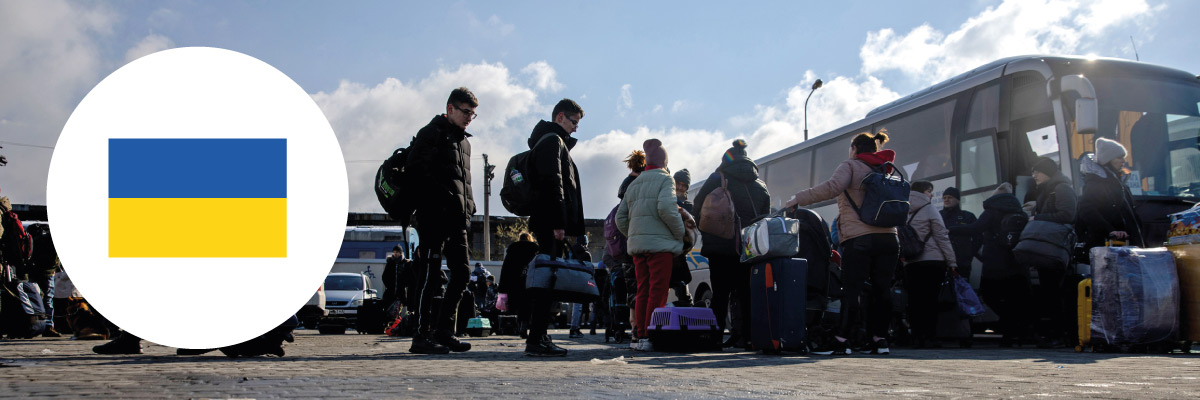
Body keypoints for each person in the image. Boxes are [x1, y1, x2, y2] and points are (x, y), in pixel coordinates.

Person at [785, 131, 899, 355]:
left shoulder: (851, 165)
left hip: (859, 239)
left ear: (855, 149)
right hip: (889, 238)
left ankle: (842, 339)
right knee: (882, 290)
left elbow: (832, 187)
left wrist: (799, 198)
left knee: (852, 290)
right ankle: (880, 340)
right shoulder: (887, 169)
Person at [405, 87, 478, 354]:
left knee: (462, 274)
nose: (470, 117)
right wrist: (445, 200)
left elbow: (464, 182)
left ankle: (444, 331)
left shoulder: (465, 143)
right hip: (434, 218)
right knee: (430, 276)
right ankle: (421, 335)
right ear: (450, 109)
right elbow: (416, 172)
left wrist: (469, 208)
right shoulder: (431, 133)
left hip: (458, 221)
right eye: (465, 111)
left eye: (473, 113)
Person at [693, 139, 771, 350]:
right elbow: (766, 216)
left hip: (721, 247)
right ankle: (747, 338)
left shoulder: (717, 178)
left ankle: (715, 339)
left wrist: (708, 233)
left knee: (720, 295)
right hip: (749, 248)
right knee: (746, 294)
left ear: (726, 159)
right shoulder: (760, 185)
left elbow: (699, 206)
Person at [524, 98, 586, 357]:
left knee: (549, 282)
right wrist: (559, 223)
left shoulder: (550, 141)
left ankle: (540, 336)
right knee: (548, 283)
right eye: (574, 122)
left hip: (546, 220)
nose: (575, 128)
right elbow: (554, 184)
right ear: (560, 117)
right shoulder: (552, 141)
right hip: (550, 223)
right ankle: (537, 339)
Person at [616, 139, 686, 351]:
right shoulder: (666, 180)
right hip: (660, 247)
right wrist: (679, 233)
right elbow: (666, 207)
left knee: (642, 290)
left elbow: (620, 218)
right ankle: (652, 336)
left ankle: (640, 336)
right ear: (664, 161)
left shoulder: (634, 183)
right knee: (658, 289)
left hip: (639, 247)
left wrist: (636, 235)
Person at [948, 182, 1031, 346]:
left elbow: (975, 229)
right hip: (1017, 263)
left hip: (996, 263)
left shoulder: (992, 210)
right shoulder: (1019, 211)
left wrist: (951, 229)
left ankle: (1007, 326)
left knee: (989, 294)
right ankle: (1013, 335)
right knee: (1014, 299)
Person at [1028, 156, 1078, 348]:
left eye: (1037, 171)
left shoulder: (1061, 189)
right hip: (1048, 249)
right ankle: (1054, 334)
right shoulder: (1048, 190)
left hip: (1057, 248)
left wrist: (1038, 218)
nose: (1034, 175)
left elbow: (1068, 215)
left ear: (1047, 172)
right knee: (1049, 292)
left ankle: (1062, 335)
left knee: (1057, 291)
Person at [903, 181, 958, 348]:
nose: (931, 195)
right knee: (930, 301)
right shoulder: (929, 209)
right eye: (929, 191)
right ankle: (929, 337)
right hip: (933, 261)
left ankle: (916, 337)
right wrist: (952, 261)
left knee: (914, 301)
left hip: (911, 262)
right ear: (923, 192)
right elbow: (942, 237)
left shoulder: (903, 209)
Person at [1077, 138, 1144, 249]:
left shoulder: (1120, 183)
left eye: (1123, 157)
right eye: (1119, 157)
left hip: (1124, 244)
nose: (1123, 161)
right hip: (1111, 246)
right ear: (1107, 160)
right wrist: (1110, 231)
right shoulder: (1096, 183)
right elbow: (1086, 210)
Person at [497, 232, 539, 339]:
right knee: (528, 305)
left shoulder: (512, 249)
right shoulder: (535, 249)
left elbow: (505, 268)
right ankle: (525, 326)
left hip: (514, 283)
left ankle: (519, 326)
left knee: (518, 305)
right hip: (529, 281)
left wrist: (502, 286)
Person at [941, 187, 979, 280]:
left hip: (962, 262)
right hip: (942, 261)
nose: (946, 200)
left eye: (950, 197)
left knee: (962, 290)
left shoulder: (968, 216)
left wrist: (969, 253)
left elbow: (978, 237)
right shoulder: (938, 216)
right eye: (944, 197)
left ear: (957, 200)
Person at [670, 169, 694, 307]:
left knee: (682, 285)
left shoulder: (689, 206)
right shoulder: (665, 199)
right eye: (677, 183)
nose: (680, 187)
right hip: (666, 248)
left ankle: (685, 309)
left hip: (680, 251)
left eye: (684, 185)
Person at [568, 235, 593, 339]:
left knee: (575, 306)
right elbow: (590, 269)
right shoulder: (586, 254)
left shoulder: (570, 252)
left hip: (570, 279)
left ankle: (575, 328)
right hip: (581, 280)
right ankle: (574, 329)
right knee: (579, 306)